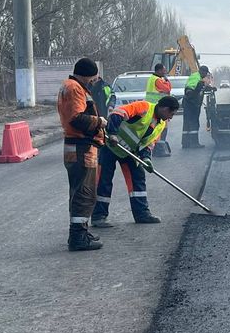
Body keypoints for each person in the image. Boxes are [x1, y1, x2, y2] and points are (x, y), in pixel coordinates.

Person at [91, 96, 180, 228]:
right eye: (171, 114)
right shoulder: (143, 107)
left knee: (138, 179)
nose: (171, 117)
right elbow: (117, 114)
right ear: (165, 109)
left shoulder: (161, 124)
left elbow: (148, 144)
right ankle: (99, 217)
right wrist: (113, 133)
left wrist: (146, 158)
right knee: (104, 180)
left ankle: (142, 214)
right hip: (110, 146)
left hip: (129, 152)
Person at [57, 57, 107, 251]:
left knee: (78, 191)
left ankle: (80, 232)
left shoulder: (68, 86)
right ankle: (78, 237)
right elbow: (77, 119)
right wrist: (99, 122)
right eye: (93, 78)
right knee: (84, 193)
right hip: (82, 147)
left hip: (75, 145)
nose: (94, 82)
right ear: (86, 75)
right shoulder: (75, 88)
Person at [146, 63, 172, 156]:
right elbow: (167, 89)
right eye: (164, 70)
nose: (165, 72)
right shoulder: (157, 80)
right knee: (160, 128)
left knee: (157, 128)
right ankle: (159, 149)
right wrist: (167, 80)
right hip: (157, 108)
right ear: (159, 70)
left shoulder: (153, 78)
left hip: (155, 107)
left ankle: (157, 147)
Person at [181, 65, 210, 148]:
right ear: (202, 71)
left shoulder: (199, 79)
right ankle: (194, 143)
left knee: (188, 123)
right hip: (191, 104)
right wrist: (192, 96)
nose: (205, 75)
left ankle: (186, 143)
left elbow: (199, 89)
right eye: (205, 73)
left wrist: (209, 88)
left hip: (191, 103)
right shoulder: (195, 77)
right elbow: (190, 89)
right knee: (193, 123)